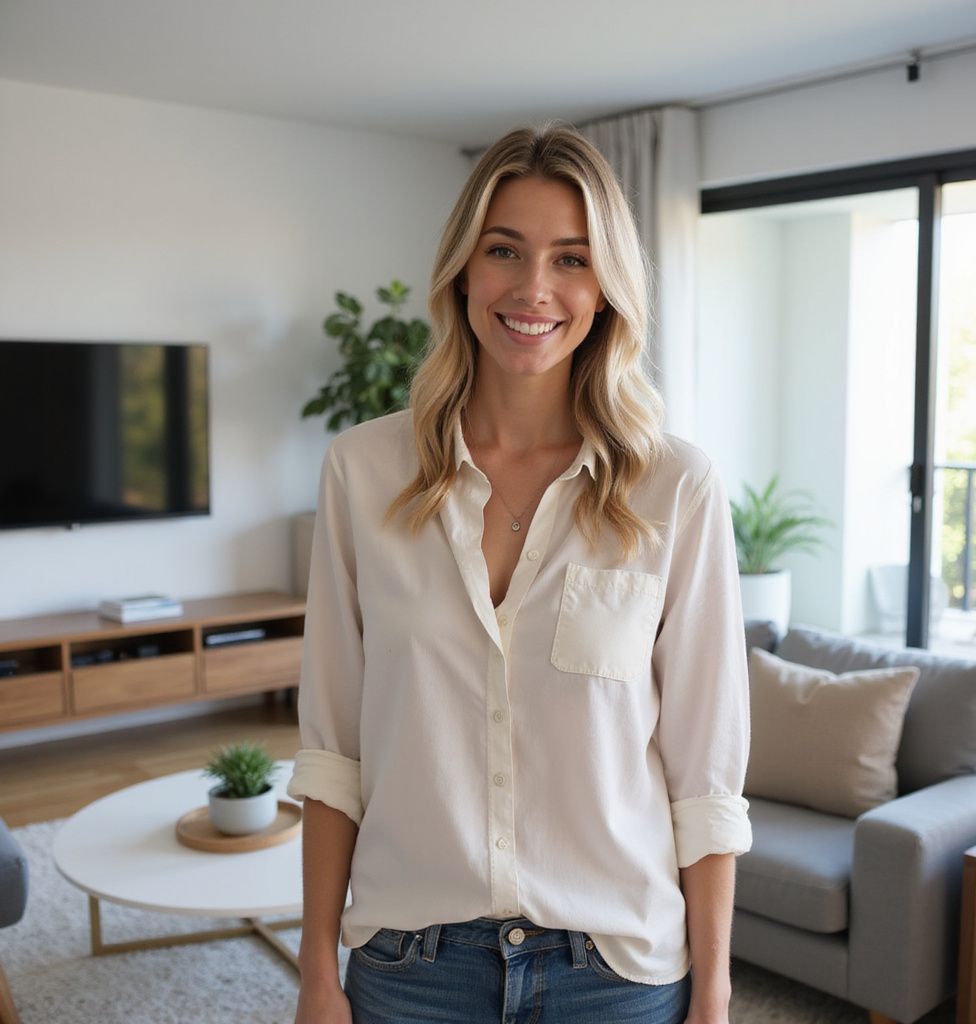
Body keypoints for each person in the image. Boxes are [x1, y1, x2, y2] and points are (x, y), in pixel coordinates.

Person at [288, 123, 752, 1024]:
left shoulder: (676, 489)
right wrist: (315, 975)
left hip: (613, 970)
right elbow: (333, 752)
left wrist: (716, 994)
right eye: (505, 250)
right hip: (409, 964)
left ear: (607, 286)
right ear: (464, 269)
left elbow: (705, 779)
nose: (533, 289)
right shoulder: (363, 472)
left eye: (571, 259)